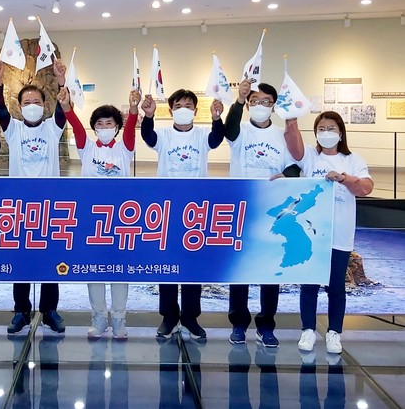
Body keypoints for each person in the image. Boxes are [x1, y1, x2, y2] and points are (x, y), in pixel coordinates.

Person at [284, 111, 373, 354]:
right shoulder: (311, 156)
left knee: (336, 286)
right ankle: (308, 330)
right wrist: (291, 120)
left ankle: (334, 332)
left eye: (331, 128)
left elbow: (366, 187)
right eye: (321, 129)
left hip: (339, 233)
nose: (326, 133)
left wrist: (344, 178)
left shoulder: (352, 159)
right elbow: (294, 148)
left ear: (341, 132)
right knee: (309, 284)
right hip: (311, 234)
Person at [140, 89, 225, 341]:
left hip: (195, 211)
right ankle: (168, 316)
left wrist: (217, 118)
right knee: (167, 264)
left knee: (191, 266)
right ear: (170, 110)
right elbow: (148, 137)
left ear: (196, 111)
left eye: (188, 106)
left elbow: (216, 140)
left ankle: (190, 318)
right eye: (178, 106)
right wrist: (148, 116)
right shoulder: (164, 135)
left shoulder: (201, 135)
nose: (183, 109)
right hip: (168, 210)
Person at [0, 59, 67, 335]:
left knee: (50, 259)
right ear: (20, 107)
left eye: (36, 101)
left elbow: (63, 108)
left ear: (44, 105)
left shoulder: (53, 128)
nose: (32, 105)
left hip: (49, 206)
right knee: (21, 261)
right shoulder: (14, 129)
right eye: (27, 102)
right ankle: (21, 311)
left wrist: (61, 80)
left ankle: (49, 311)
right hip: (20, 207)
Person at [57, 86, 141, 339]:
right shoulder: (87, 148)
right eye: (99, 124)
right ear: (94, 128)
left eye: (109, 123)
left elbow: (131, 127)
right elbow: (76, 126)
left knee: (119, 269)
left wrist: (133, 109)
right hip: (92, 219)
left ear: (117, 127)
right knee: (94, 269)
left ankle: (119, 319)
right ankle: (99, 317)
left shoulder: (125, 147)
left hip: (121, 219)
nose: (104, 127)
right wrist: (66, 107)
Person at [224, 79, 299, 348]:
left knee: (270, 268)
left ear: (274, 106)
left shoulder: (281, 134)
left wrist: (287, 175)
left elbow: (295, 165)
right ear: (248, 105)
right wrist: (238, 100)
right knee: (241, 268)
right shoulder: (240, 131)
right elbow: (229, 129)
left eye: (266, 101)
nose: (260, 105)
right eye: (255, 101)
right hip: (242, 208)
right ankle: (238, 323)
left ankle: (266, 324)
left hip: (273, 210)